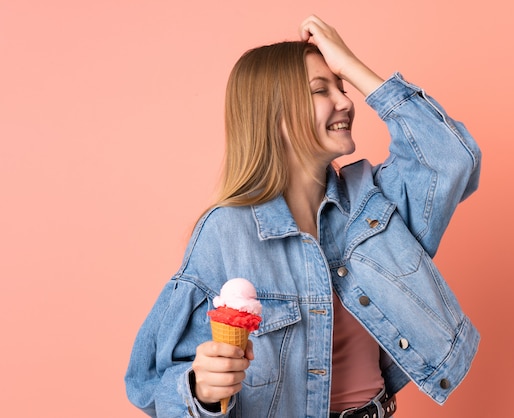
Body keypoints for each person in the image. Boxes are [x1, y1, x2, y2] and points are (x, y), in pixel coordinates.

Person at [125, 15, 481, 418]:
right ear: (274, 114)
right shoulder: (226, 233)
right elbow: (149, 383)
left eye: (342, 87)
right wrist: (200, 389)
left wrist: (350, 64)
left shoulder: (372, 203)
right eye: (320, 90)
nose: (346, 101)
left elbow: (449, 157)